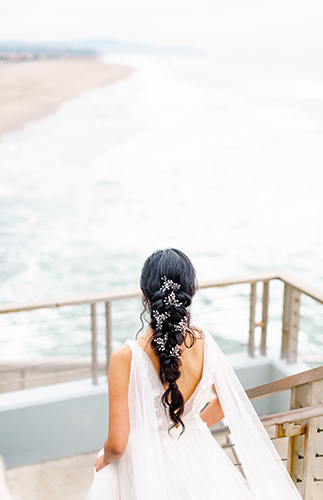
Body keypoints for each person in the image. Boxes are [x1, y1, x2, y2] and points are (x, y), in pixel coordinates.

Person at [86, 248, 302, 500]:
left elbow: (117, 445)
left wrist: (105, 459)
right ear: (190, 291)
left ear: (146, 296)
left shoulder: (126, 357)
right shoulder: (204, 341)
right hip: (199, 458)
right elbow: (230, 399)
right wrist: (189, 426)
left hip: (145, 469)